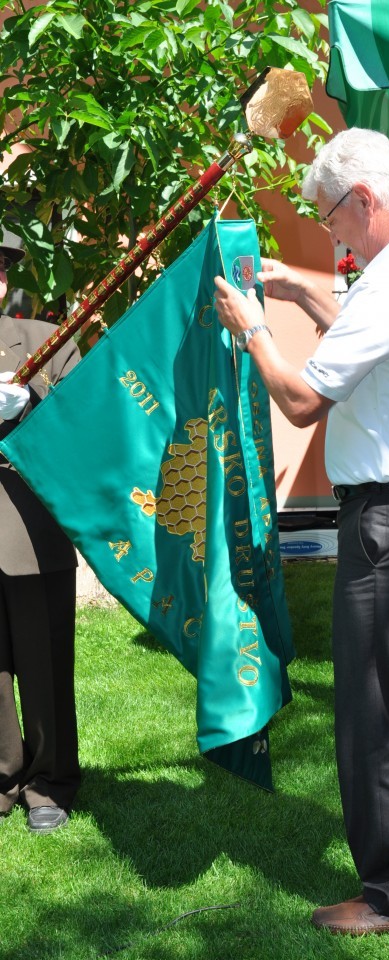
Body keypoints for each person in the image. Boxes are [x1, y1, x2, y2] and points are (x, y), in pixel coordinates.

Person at [214, 128, 389, 935]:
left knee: (372, 709)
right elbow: (375, 343)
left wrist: (253, 328)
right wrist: (301, 294)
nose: (329, 231)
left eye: (328, 216)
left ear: (363, 199)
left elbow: (302, 401)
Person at [0, 227, 81, 833]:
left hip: (29, 527)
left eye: (1, 267)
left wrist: (32, 398)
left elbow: (83, 421)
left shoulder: (45, 340)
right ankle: (4, 774)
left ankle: (49, 781)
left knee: (44, 660)